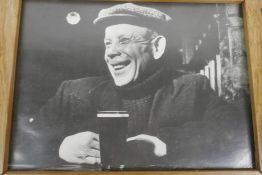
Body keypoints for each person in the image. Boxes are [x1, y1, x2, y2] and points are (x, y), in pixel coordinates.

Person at [30, 3, 252, 169]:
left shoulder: (191, 87)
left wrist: (161, 145)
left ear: (156, 47)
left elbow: (235, 134)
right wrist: (58, 147)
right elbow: (24, 139)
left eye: (124, 41)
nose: (111, 51)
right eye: (108, 43)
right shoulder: (74, 92)